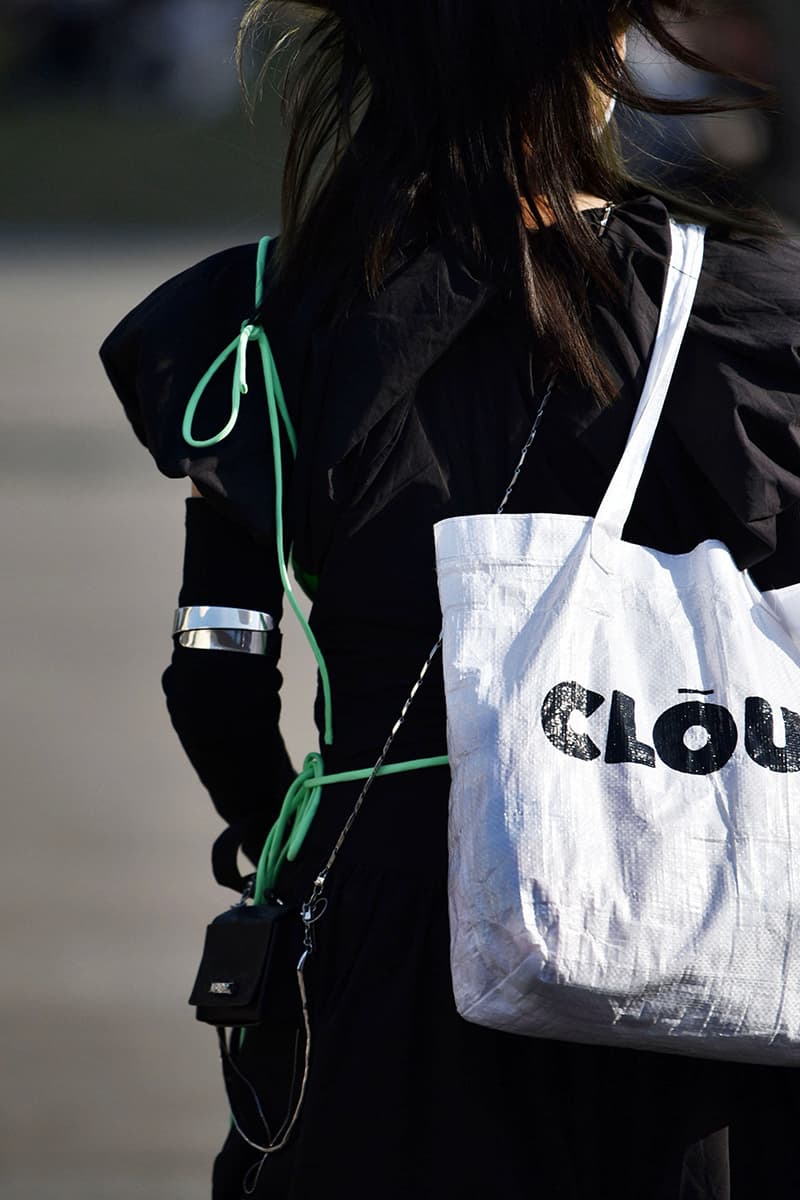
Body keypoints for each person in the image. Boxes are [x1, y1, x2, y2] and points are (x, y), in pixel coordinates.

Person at [100, 2, 800, 1196]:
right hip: (691, 898)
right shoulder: (740, 308)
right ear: (590, 56)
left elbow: (214, 676)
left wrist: (285, 843)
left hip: (385, 914)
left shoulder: (261, 316)